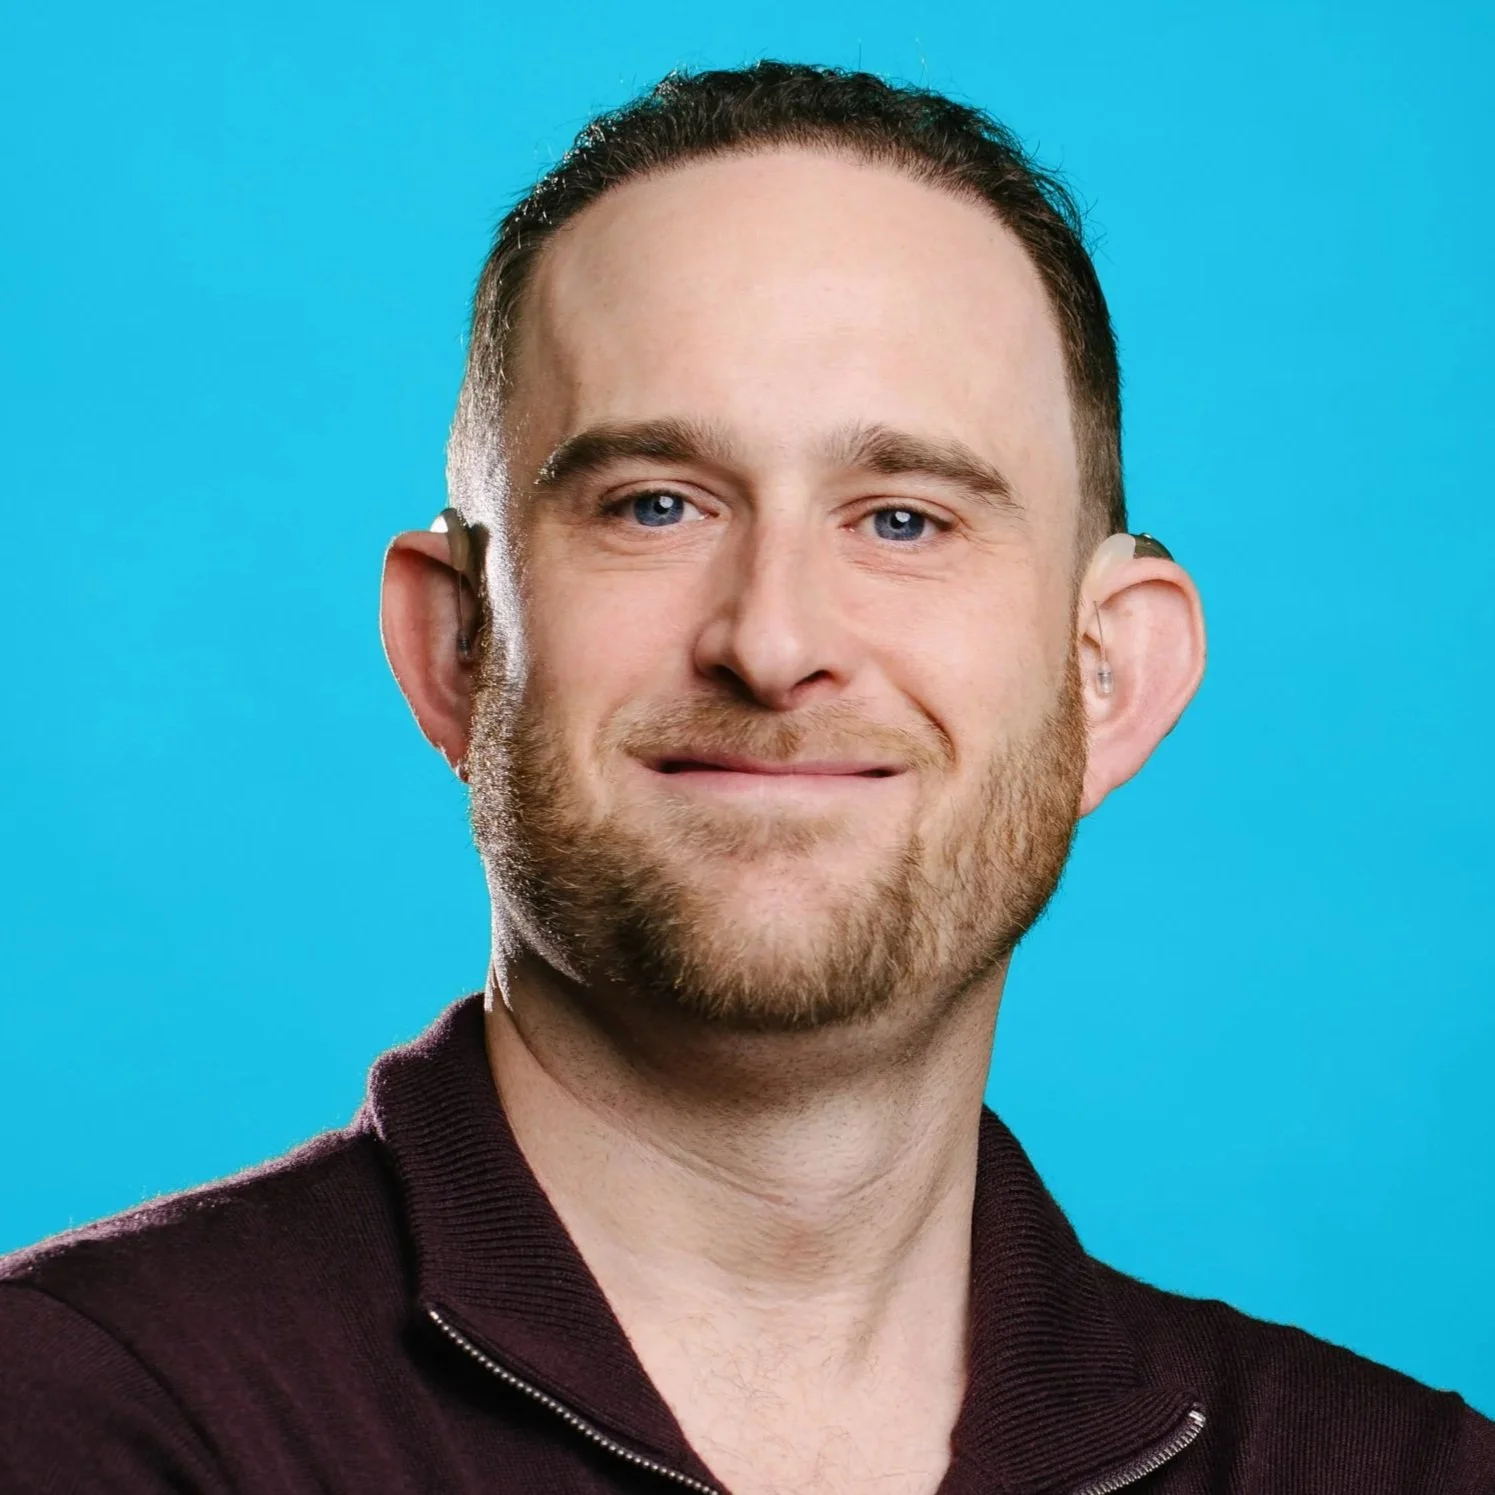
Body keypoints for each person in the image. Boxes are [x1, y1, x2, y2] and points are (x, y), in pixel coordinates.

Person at [1, 61, 1489, 1495]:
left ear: (1107, 674)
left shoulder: (1399, 1472)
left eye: (903, 519)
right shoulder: (73, 1418)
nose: (774, 644)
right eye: (655, 505)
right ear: (456, 644)